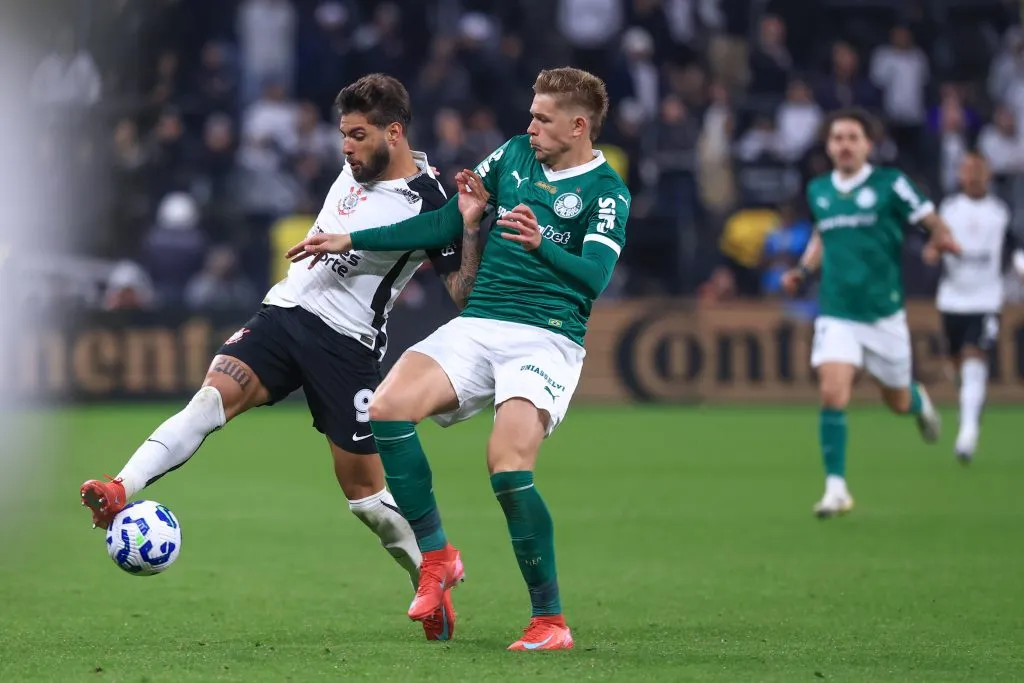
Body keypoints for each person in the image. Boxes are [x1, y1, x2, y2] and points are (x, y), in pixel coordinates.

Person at [80, 74, 483, 641]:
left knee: (366, 500)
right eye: (342, 134)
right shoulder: (357, 165)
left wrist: (470, 226)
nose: (345, 147)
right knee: (208, 400)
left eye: (358, 135)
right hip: (285, 310)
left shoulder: (432, 201)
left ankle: (430, 576)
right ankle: (120, 488)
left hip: (347, 346)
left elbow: (463, 291)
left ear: (394, 133)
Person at [287, 67, 629, 651]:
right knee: (388, 408)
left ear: (578, 126)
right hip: (479, 324)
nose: (531, 126)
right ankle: (436, 556)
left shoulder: (607, 192)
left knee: (508, 467)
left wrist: (543, 245)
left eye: (543, 118)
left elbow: (595, 277)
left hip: (546, 336)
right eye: (531, 113)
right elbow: (448, 221)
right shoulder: (515, 155)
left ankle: (550, 621)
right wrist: (352, 239)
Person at [781, 107, 960, 518]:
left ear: (868, 145)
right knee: (832, 391)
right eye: (837, 138)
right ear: (828, 146)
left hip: (884, 316)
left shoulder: (890, 184)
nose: (844, 145)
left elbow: (932, 221)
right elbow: (822, 235)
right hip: (838, 312)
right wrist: (804, 270)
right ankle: (836, 488)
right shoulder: (819, 190)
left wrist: (939, 242)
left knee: (896, 401)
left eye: (852, 138)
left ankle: (920, 403)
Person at [935, 151, 1024, 463]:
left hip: (985, 299)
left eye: (979, 169)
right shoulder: (948, 208)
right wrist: (933, 251)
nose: (973, 175)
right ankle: (968, 406)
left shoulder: (999, 212)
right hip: (951, 298)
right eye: (967, 169)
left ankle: (968, 434)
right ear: (960, 175)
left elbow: (1013, 247)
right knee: (957, 365)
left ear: (988, 174)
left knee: (976, 357)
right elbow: (933, 240)